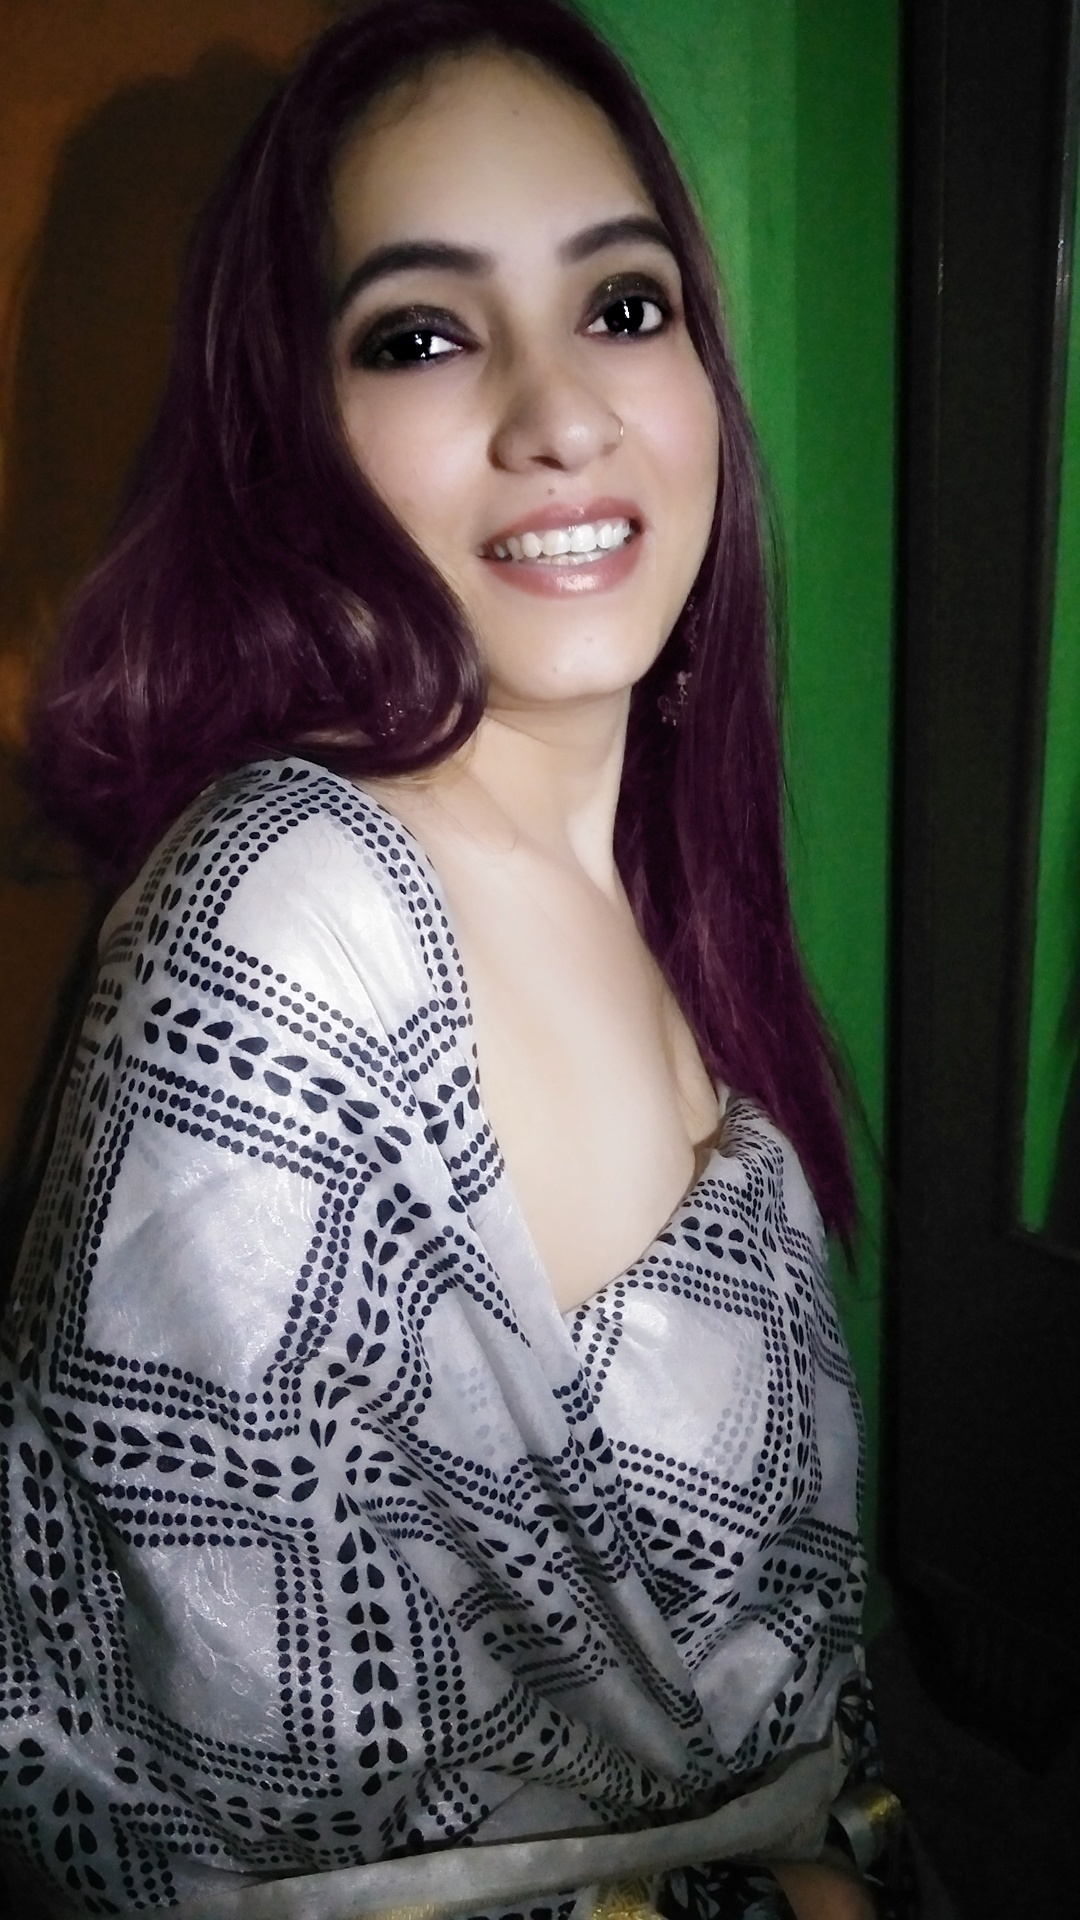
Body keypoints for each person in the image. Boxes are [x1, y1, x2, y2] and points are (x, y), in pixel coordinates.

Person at [0, 3, 901, 1915]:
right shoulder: (294, 924)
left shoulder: (646, 871)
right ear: (290, 442)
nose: (558, 412)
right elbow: (196, 1805)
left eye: (623, 305)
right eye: (421, 333)